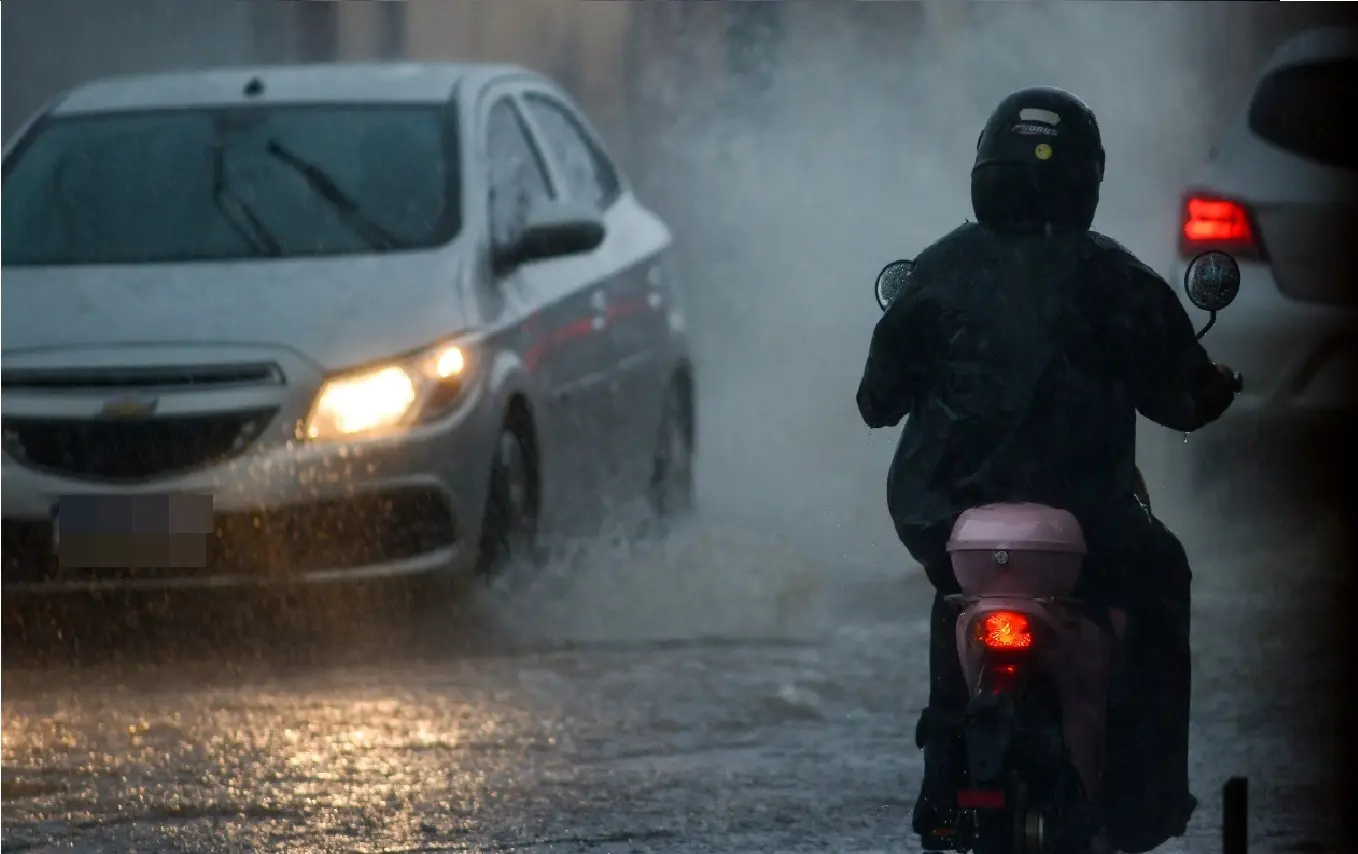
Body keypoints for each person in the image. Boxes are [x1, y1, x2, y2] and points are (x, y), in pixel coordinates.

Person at [855, 86, 1239, 853]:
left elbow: (875, 403)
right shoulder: (1116, 277)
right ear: (1085, 178)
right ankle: (1146, 802)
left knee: (951, 601)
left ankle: (946, 800)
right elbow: (1185, 399)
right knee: (1164, 573)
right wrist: (1215, 384)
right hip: (1089, 526)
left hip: (947, 520)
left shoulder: (936, 270)